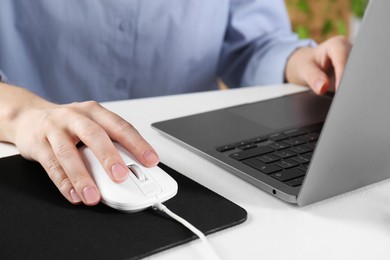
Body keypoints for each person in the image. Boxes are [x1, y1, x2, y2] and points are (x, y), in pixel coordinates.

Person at [0, 0, 351, 206]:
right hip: (36, 157)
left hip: (196, 161)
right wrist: (23, 114)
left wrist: (300, 61)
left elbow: (253, 43)